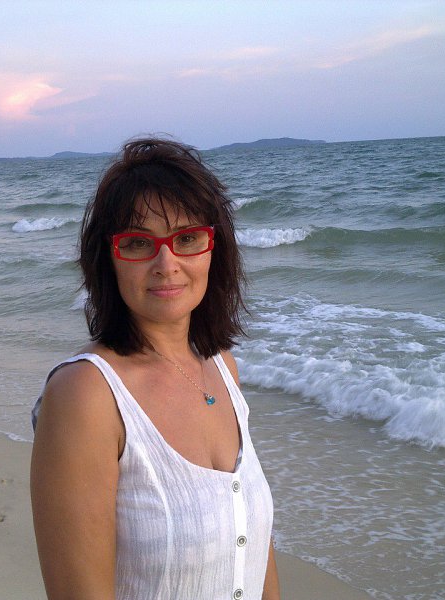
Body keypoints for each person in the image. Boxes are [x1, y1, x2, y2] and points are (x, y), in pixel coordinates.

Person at [30, 137, 280, 600]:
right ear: (108, 259)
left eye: (186, 238)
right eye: (138, 243)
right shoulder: (86, 394)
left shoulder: (223, 368)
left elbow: (255, 549)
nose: (167, 263)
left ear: (213, 248)